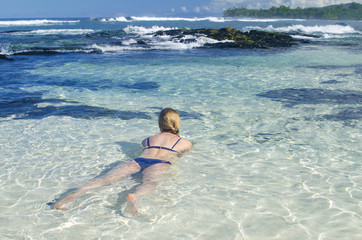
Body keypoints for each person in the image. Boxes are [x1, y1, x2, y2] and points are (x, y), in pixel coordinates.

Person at [54, 108, 192, 215]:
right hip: (159, 163)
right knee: (151, 183)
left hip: (138, 160)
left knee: (106, 178)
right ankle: (135, 197)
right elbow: (179, 159)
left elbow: (143, 150)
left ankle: (76, 193)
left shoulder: (148, 139)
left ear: (159, 125)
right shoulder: (185, 143)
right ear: (177, 123)